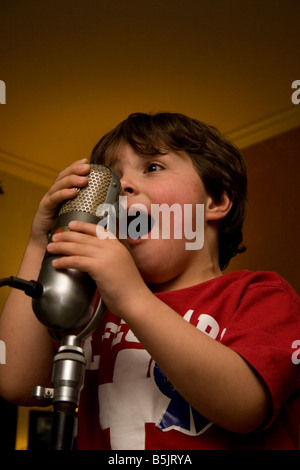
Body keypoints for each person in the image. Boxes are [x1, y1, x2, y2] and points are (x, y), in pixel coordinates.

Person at [0, 112, 299, 450]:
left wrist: (133, 299)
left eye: (152, 167)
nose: (123, 186)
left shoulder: (261, 296)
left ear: (214, 201)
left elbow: (246, 407)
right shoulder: (92, 308)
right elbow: (16, 384)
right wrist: (42, 242)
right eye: (115, 176)